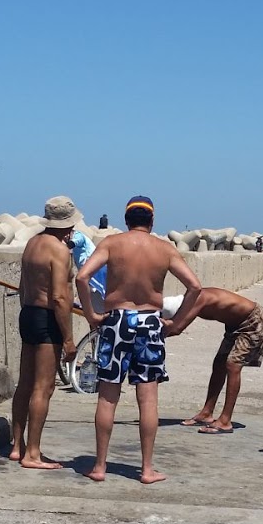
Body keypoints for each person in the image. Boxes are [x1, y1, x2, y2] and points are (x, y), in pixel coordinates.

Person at [75, 195, 202, 484]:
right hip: (149, 321)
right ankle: (146, 469)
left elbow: (82, 277)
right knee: (148, 399)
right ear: (152, 220)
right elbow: (195, 287)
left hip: (116, 320)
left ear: (126, 219)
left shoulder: (112, 244)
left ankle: (99, 466)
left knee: (108, 397)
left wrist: (91, 314)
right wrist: (176, 323)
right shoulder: (164, 249)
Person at [9, 197, 80, 470]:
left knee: (25, 384)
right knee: (44, 387)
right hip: (47, 317)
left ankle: (17, 446)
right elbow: (60, 298)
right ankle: (33, 453)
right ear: (68, 225)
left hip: (28, 312)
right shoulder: (59, 251)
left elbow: (22, 287)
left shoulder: (32, 243)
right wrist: (68, 339)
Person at [176, 288, 263, 434]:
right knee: (219, 363)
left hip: (253, 320)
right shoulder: (191, 299)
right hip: (235, 325)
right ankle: (206, 413)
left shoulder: (198, 300)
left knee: (233, 365)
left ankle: (225, 421)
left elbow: (177, 328)